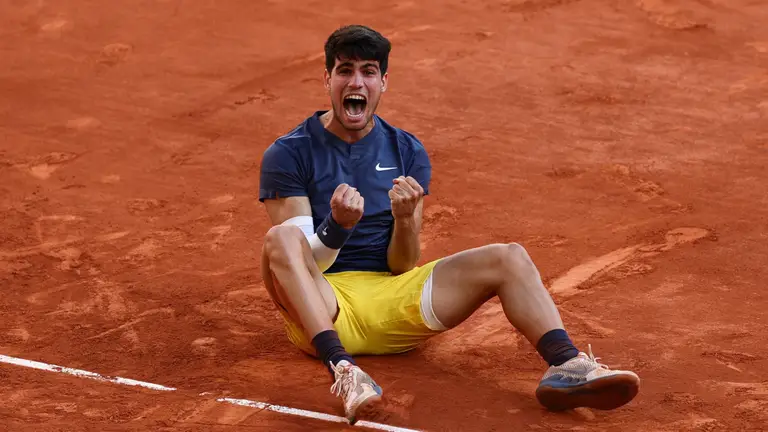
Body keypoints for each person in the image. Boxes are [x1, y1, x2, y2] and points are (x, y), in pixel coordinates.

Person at [258, 24, 640, 424]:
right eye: (345, 70)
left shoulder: (406, 150)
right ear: (327, 79)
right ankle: (344, 371)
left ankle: (566, 364)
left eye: (368, 71)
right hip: (323, 307)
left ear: (383, 82)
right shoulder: (290, 153)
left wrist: (405, 219)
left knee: (508, 257)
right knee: (281, 238)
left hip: (391, 303)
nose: (357, 82)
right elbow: (302, 262)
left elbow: (402, 265)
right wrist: (337, 227)